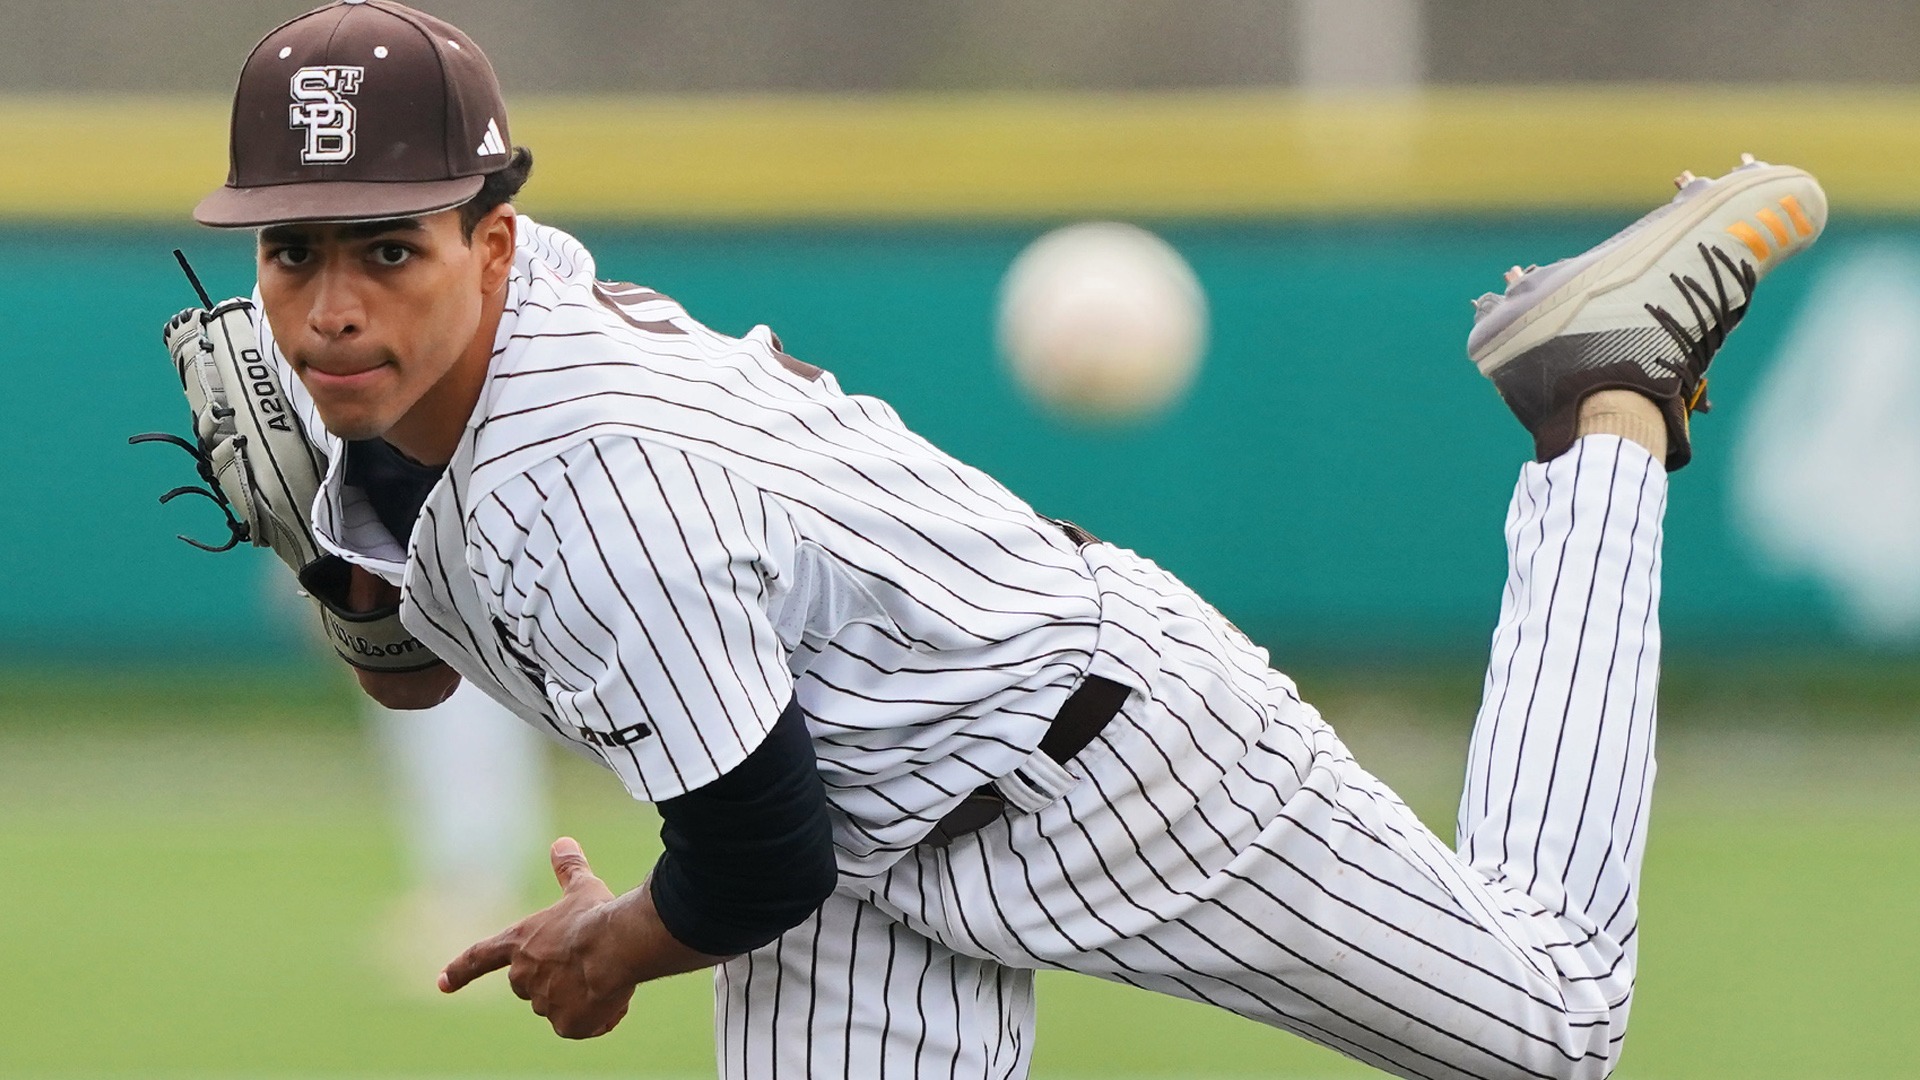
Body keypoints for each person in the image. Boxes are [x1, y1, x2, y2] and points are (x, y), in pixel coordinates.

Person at [183, 3, 1825, 1076]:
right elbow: (422, 663)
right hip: (857, 821)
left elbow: (754, 858)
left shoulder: (590, 471)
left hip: (1093, 758)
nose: (328, 309)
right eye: (291, 251)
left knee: (1550, 1023)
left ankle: (1598, 402)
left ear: (493, 241)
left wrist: (610, 950)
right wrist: (336, 562)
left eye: (385, 249)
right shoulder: (443, 361)